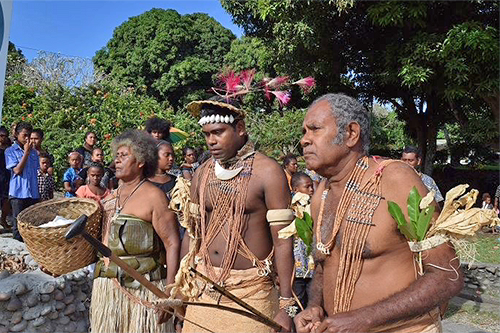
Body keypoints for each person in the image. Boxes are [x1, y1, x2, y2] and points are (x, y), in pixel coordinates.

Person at [294, 93, 463, 332]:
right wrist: (314, 306)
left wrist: (363, 319)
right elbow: (323, 265)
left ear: (351, 133)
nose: (305, 140)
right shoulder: (321, 193)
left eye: (314, 129)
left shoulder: (394, 178)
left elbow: (448, 276)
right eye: (304, 132)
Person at [176, 99, 294, 332]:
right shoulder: (202, 173)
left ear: (240, 129)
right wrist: (182, 288)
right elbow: (192, 235)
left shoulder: (267, 172)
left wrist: (286, 304)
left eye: (218, 132)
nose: (211, 141)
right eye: (207, 134)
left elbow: (283, 242)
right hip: (204, 288)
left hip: (252, 292)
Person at [90, 129, 179, 333]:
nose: (117, 160)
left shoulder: (154, 197)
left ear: (140, 162)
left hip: (144, 287)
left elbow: (172, 243)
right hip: (109, 288)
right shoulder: (111, 197)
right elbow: (100, 243)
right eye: (117, 156)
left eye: (124, 155)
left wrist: (169, 293)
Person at [5, 122, 40, 242]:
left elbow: (36, 171)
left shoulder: (35, 152)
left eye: (29, 135)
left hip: (32, 192)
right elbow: (17, 170)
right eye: (24, 135)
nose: (27, 139)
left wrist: (30, 152)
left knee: (31, 224)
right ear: (16, 134)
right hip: (18, 193)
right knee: (18, 225)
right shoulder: (10, 151)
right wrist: (26, 153)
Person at [290, 172, 315, 310]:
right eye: (307, 187)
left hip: (312, 265)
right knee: (298, 301)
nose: (311, 190)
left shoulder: (314, 205)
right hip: (297, 265)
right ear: (295, 189)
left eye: (312, 186)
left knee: (313, 301)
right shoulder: (290, 208)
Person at [0, 126, 12, 230]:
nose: (3, 138)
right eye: (1, 136)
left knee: (6, 201)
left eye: (5, 136)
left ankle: (3, 220)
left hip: (7, 177)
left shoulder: (9, 148)